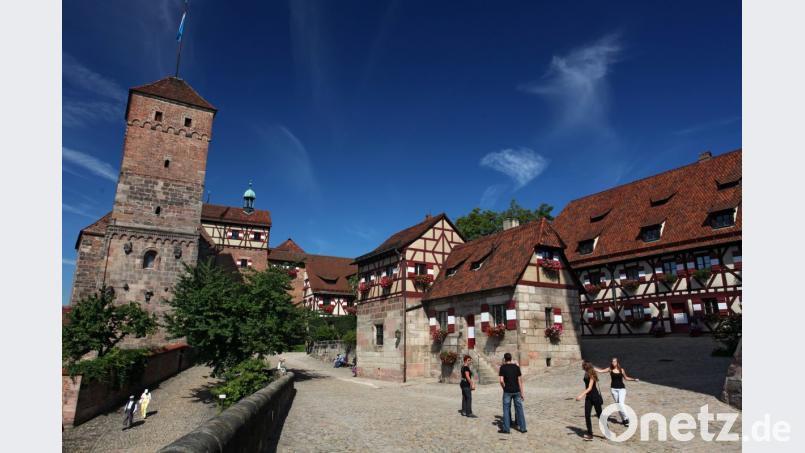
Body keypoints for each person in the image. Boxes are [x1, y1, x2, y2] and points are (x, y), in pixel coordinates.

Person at [594, 357, 639, 427]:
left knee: (621, 403)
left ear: (617, 362)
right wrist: (591, 368)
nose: (613, 363)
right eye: (612, 362)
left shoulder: (621, 370)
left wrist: (634, 379)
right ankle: (624, 420)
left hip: (622, 389)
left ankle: (626, 418)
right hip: (614, 389)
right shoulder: (610, 369)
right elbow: (601, 371)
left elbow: (626, 378)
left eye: (614, 362)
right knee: (618, 405)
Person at [498, 352, 526, 434]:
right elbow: (520, 381)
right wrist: (522, 393)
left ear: (504, 359)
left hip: (507, 391)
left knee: (506, 410)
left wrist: (504, 388)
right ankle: (523, 428)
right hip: (517, 391)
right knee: (519, 409)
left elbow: (501, 381)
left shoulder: (502, 368)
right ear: (511, 358)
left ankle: (506, 429)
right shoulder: (516, 367)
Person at [576, 361, 604, 441]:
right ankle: (590, 434)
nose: (582, 366)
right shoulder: (586, 372)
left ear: (586, 366)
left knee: (600, 415)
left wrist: (581, 395)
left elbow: (590, 388)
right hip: (588, 398)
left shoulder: (591, 374)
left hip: (595, 397)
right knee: (587, 415)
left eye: (583, 365)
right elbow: (599, 370)